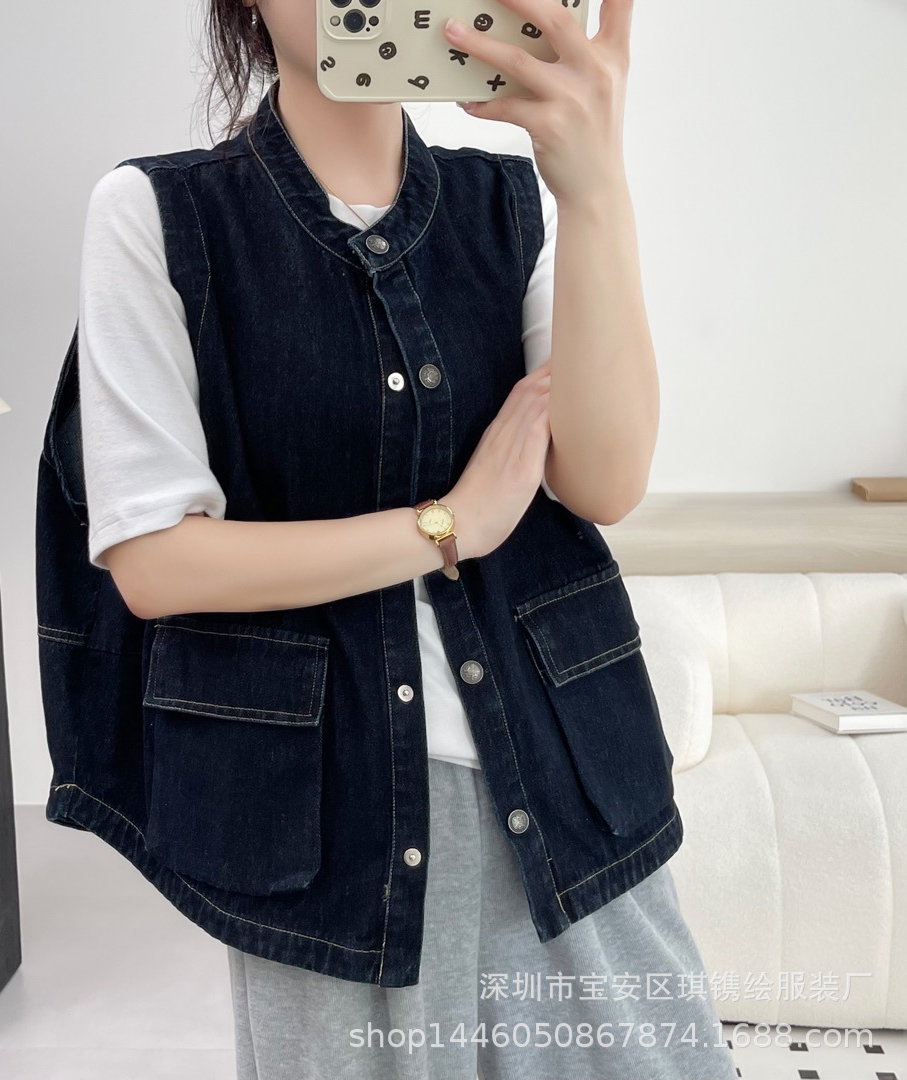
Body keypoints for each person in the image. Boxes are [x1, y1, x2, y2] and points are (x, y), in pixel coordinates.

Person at [40, 1, 739, 1077]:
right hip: (332, 821)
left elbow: (605, 479)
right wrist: (448, 526)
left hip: (563, 769)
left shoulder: (513, 203)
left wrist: (596, 185)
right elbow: (156, 563)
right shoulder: (158, 212)